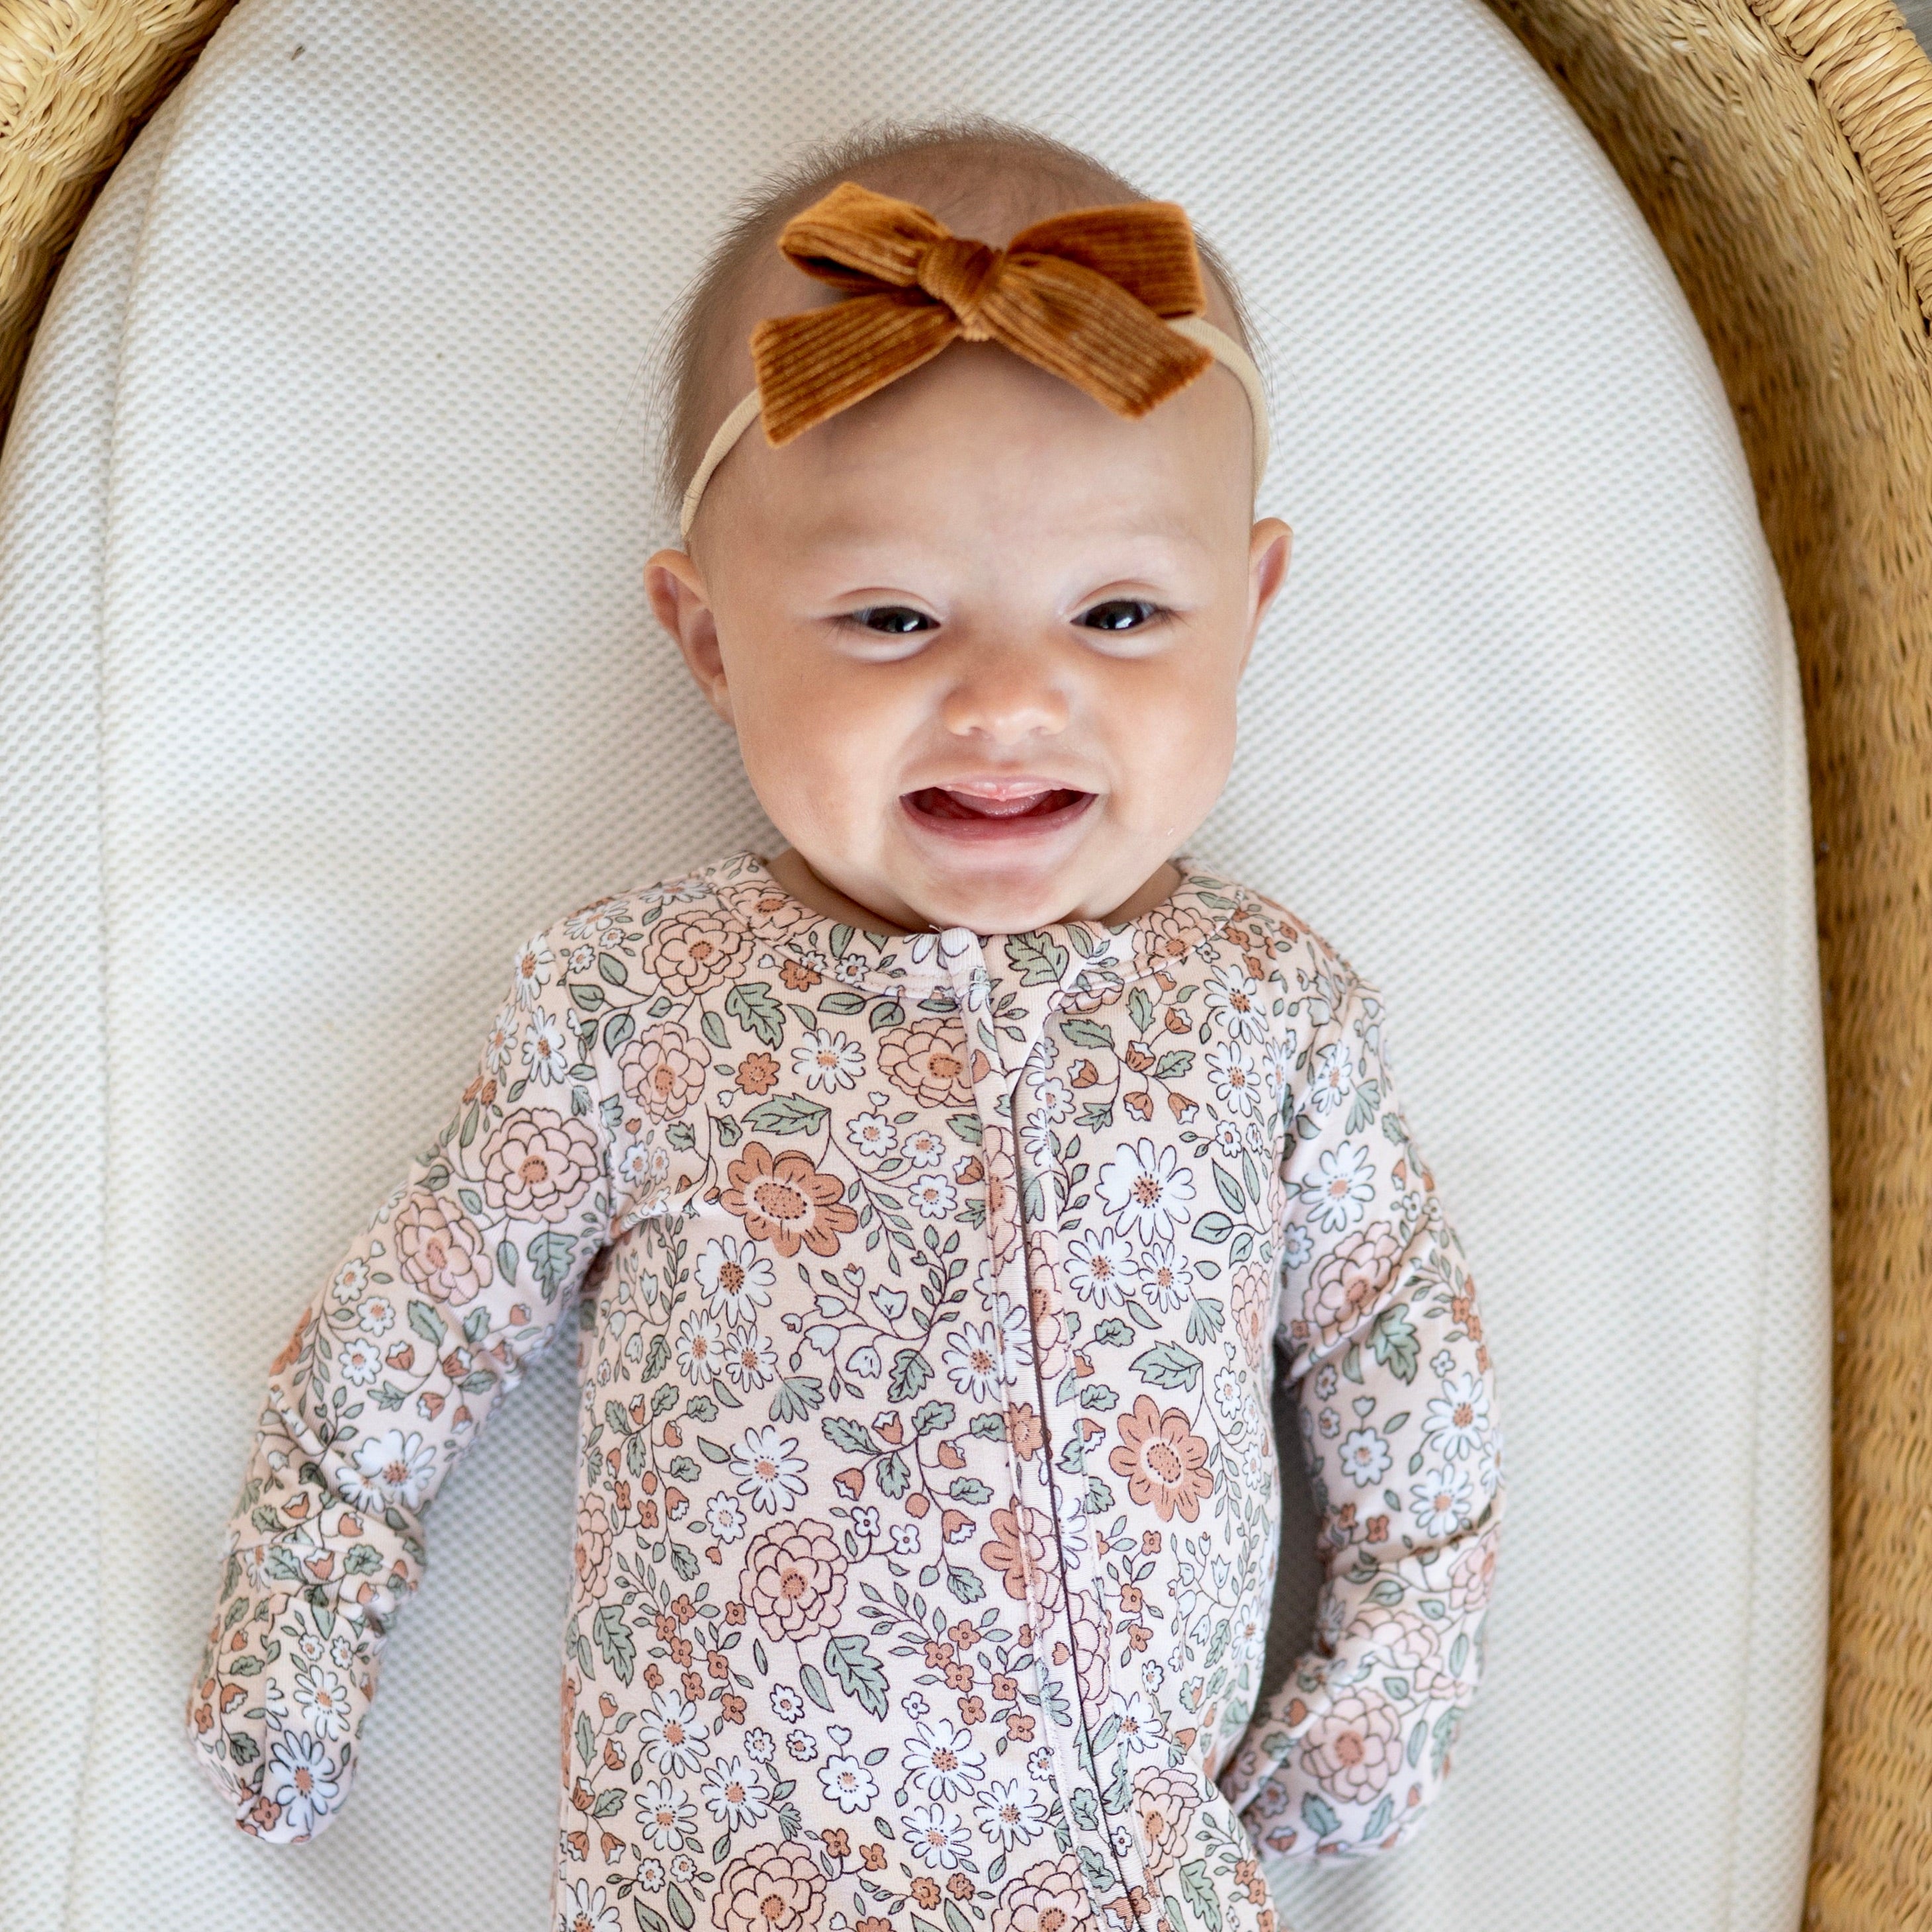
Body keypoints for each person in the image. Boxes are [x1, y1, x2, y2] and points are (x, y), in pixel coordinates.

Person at [186, 117, 1503, 1932]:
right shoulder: (638, 1006)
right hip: (721, 1889)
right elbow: (408, 1336)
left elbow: (1399, 1352)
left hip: (1130, 1885)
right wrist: (298, 1628)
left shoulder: (1272, 1018)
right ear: (713, 640)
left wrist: (1388, 1687)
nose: (1012, 698)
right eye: (892, 618)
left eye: (1122, 613)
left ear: (1252, 609)